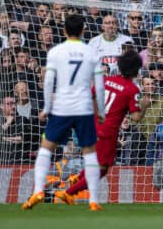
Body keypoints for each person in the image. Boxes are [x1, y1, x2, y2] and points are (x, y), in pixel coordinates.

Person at [22, 14, 105, 211]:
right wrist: (100, 110)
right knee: (89, 153)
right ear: (83, 30)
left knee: (46, 148)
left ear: (64, 31)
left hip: (62, 108)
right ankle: (93, 200)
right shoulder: (91, 52)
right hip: (84, 108)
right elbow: (99, 86)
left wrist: (46, 108)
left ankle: (38, 191)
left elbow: (49, 81)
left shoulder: (55, 52)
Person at [55, 50, 150, 205]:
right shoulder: (132, 89)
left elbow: (89, 96)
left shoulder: (105, 80)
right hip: (107, 133)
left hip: (91, 127)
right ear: (136, 69)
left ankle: (77, 179)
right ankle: (68, 193)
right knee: (102, 168)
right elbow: (136, 117)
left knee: (96, 163)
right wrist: (144, 106)